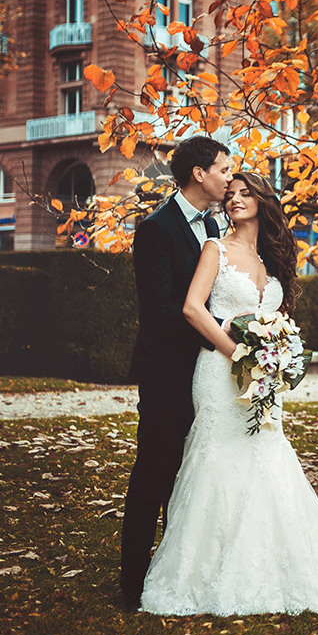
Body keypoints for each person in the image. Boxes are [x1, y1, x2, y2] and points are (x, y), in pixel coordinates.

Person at [138, 172, 318, 615]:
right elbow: (191, 308)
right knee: (219, 455)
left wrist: (278, 355)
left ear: (263, 200)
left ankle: (273, 562)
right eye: (231, 194)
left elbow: (276, 319)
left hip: (263, 376)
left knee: (266, 453)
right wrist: (240, 353)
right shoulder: (214, 249)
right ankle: (202, 569)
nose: (235, 199)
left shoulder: (271, 259)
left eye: (245, 193)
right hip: (219, 373)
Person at [120, 136, 233, 610]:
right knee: (155, 475)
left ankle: (181, 572)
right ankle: (132, 584)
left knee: (197, 476)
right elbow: (161, 311)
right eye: (224, 169)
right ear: (199, 174)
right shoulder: (156, 230)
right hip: (168, 374)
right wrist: (222, 338)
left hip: (210, 376)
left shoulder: (219, 224)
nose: (230, 177)